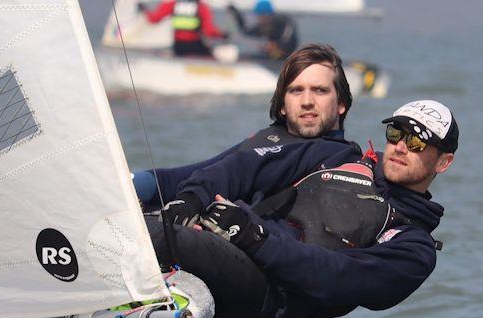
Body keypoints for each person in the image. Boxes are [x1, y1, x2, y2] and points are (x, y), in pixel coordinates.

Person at [149, 99, 459, 318]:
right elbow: (242, 168)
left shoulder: (413, 247)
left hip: (267, 292)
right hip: (231, 240)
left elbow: (338, 276)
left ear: (443, 162)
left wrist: (255, 239)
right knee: (141, 219)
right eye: (395, 133)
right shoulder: (337, 157)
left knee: (160, 235)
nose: (401, 147)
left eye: (417, 141)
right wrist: (190, 200)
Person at [134, 42, 353, 207]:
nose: (307, 102)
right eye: (296, 90)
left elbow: (239, 171)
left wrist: (194, 198)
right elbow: (197, 172)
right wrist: (136, 183)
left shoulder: (339, 157)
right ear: (283, 105)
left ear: (341, 103)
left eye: (320, 90)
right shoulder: (270, 137)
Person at [138, 0, 227, 57]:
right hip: (194, 46)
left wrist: (144, 10)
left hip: (179, 47)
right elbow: (209, 31)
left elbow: (154, 19)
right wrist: (222, 34)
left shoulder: (173, 4)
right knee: (211, 58)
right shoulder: (202, 7)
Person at [227, 0, 298, 61]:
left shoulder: (284, 22)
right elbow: (247, 30)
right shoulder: (265, 25)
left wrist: (275, 47)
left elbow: (288, 43)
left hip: (286, 59)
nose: (258, 19)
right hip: (274, 57)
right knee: (246, 57)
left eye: (260, 16)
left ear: (266, 14)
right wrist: (236, 14)